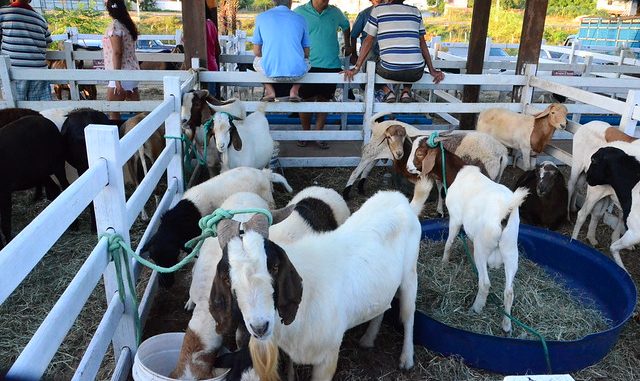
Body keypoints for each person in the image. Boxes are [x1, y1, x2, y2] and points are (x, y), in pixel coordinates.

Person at [343, 0, 444, 103]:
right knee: (411, 57)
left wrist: (357, 67)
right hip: (416, 72)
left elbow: (368, 41)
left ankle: (388, 92)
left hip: (389, 69)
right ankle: (406, 91)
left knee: (368, 61)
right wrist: (432, 69)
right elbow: (422, 44)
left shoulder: (378, 10)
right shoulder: (416, 11)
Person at [294, 0, 351, 149]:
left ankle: (318, 134)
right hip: (307, 65)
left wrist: (348, 44)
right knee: (305, 101)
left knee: (324, 100)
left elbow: (346, 26)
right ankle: (306, 134)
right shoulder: (299, 12)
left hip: (331, 64)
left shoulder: (335, 12)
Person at [252, 0, 310, 102]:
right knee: (307, 61)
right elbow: (307, 53)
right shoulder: (301, 19)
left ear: (274, 1)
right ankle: (294, 91)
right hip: (297, 74)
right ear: (290, 2)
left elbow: (257, 51)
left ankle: (270, 91)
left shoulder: (261, 17)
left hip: (270, 73)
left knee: (256, 60)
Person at [0, 0, 52, 101]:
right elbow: (48, 42)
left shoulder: (3, 13)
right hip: (39, 70)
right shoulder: (40, 18)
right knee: (39, 107)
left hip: (14, 69)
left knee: (15, 108)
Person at [103, 0, 140, 120]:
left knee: (113, 112)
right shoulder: (127, 25)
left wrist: (117, 79)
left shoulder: (115, 27)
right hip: (132, 71)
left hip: (120, 74)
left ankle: (118, 137)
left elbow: (117, 52)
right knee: (137, 112)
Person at [349, 0, 382, 68]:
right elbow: (353, 35)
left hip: (385, 54)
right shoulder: (364, 14)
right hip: (368, 53)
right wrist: (354, 55)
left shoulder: (391, 13)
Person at [205, 5, 221, 96]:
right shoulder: (211, 24)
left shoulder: (196, 27)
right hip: (212, 66)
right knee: (211, 98)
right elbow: (218, 50)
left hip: (201, 67)